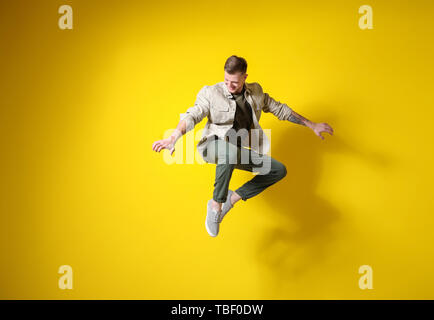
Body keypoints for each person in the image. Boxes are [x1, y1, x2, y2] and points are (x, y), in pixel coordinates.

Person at [152, 55, 334, 237]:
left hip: (235, 151)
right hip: (212, 145)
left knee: (278, 170)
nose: (230, 85)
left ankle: (231, 199)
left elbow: (280, 109)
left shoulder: (256, 92)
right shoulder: (211, 93)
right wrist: (173, 137)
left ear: (245, 77)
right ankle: (215, 205)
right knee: (229, 152)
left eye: (235, 82)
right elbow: (193, 115)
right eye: (226, 80)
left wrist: (312, 125)